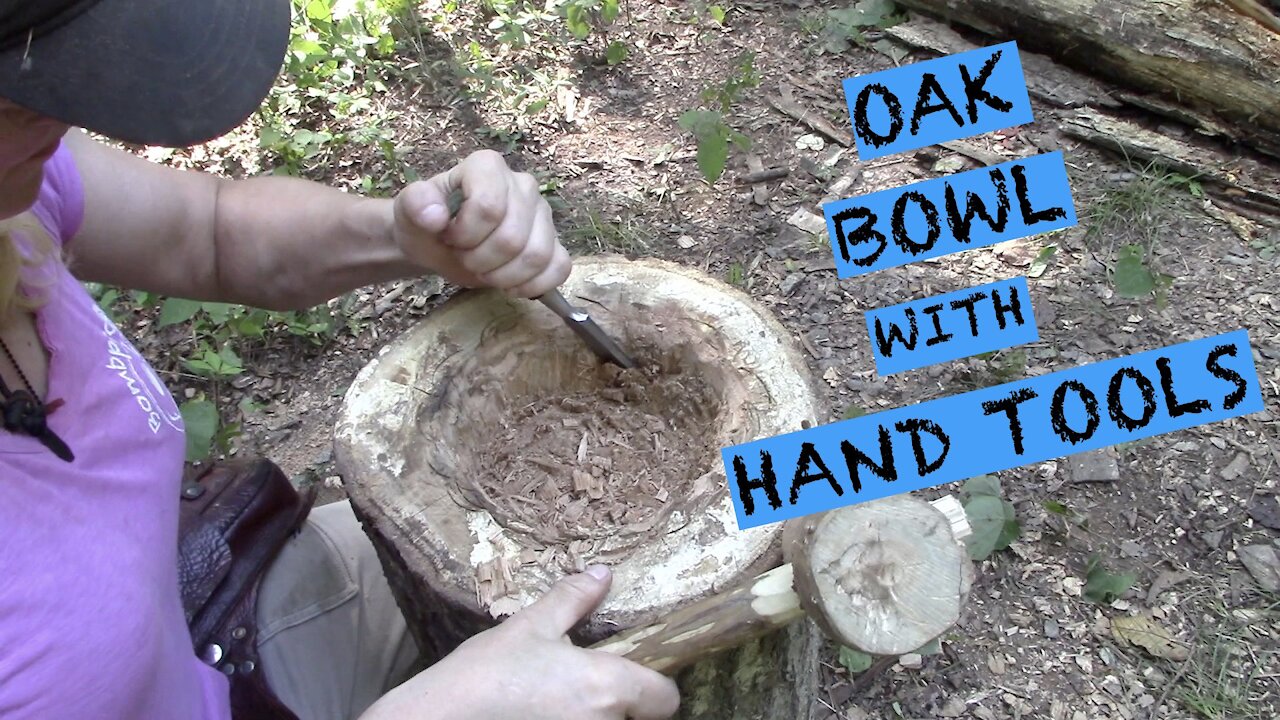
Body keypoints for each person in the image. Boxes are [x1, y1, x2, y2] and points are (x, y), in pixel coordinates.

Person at [0, 1, 681, 719]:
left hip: (218, 659)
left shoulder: (20, 184)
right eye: (15, 102)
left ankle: (816, 486)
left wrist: (402, 233)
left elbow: (210, 232)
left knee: (772, 498)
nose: (58, 122)